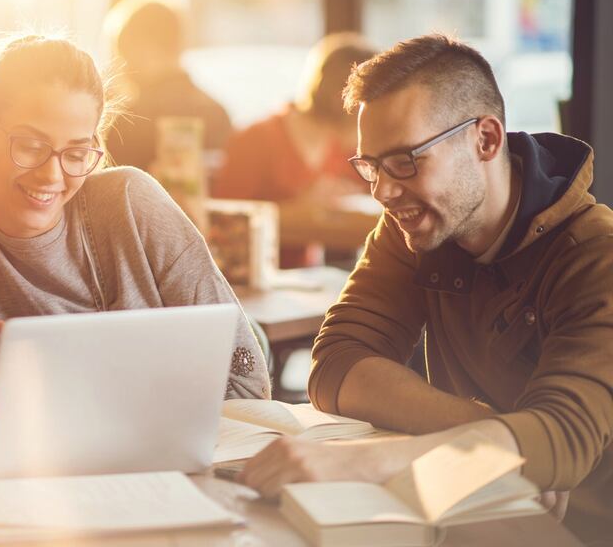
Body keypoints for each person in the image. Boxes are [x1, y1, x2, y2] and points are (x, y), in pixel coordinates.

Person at [237, 34, 613, 543]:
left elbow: (564, 439)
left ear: (486, 139)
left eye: (406, 161)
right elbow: (336, 363)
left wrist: (370, 461)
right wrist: (500, 438)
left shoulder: (596, 254)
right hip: (465, 508)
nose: (383, 193)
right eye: (371, 166)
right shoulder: (417, 227)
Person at [0, 34, 269, 431]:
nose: (52, 175)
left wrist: (15, 363)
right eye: (31, 145)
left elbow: (245, 380)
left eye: (76, 153)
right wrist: (77, 353)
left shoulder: (133, 204)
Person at [213, 33, 376, 267]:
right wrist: (298, 208)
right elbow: (224, 225)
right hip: (256, 279)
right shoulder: (256, 139)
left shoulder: (340, 148)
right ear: (339, 100)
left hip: (307, 279)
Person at [102, 0, 233, 170]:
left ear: (143, 49)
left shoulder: (129, 123)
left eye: (123, 54)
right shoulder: (217, 113)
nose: (121, 67)